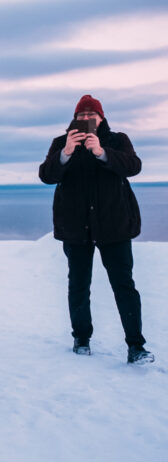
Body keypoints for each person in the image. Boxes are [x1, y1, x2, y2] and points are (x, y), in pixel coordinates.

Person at [39, 94, 153, 364]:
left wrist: (102, 152)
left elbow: (134, 167)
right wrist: (65, 153)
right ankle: (81, 338)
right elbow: (46, 175)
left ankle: (135, 346)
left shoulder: (117, 140)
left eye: (92, 115)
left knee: (124, 285)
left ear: (101, 118)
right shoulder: (60, 142)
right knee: (79, 284)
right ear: (75, 118)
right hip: (76, 227)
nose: (87, 119)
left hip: (114, 226)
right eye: (82, 116)